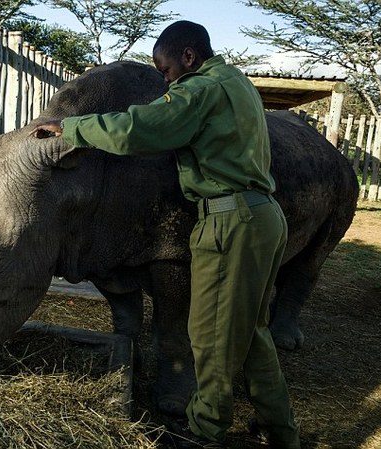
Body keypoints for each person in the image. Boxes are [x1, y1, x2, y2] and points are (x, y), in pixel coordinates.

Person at [32, 20, 300, 449]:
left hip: (230, 221)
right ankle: (279, 429)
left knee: (209, 334)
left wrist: (73, 128)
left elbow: (143, 128)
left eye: (166, 68)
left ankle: (203, 431)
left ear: (189, 57)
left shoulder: (200, 90)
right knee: (250, 332)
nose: (164, 78)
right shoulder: (238, 83)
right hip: (262, 216)